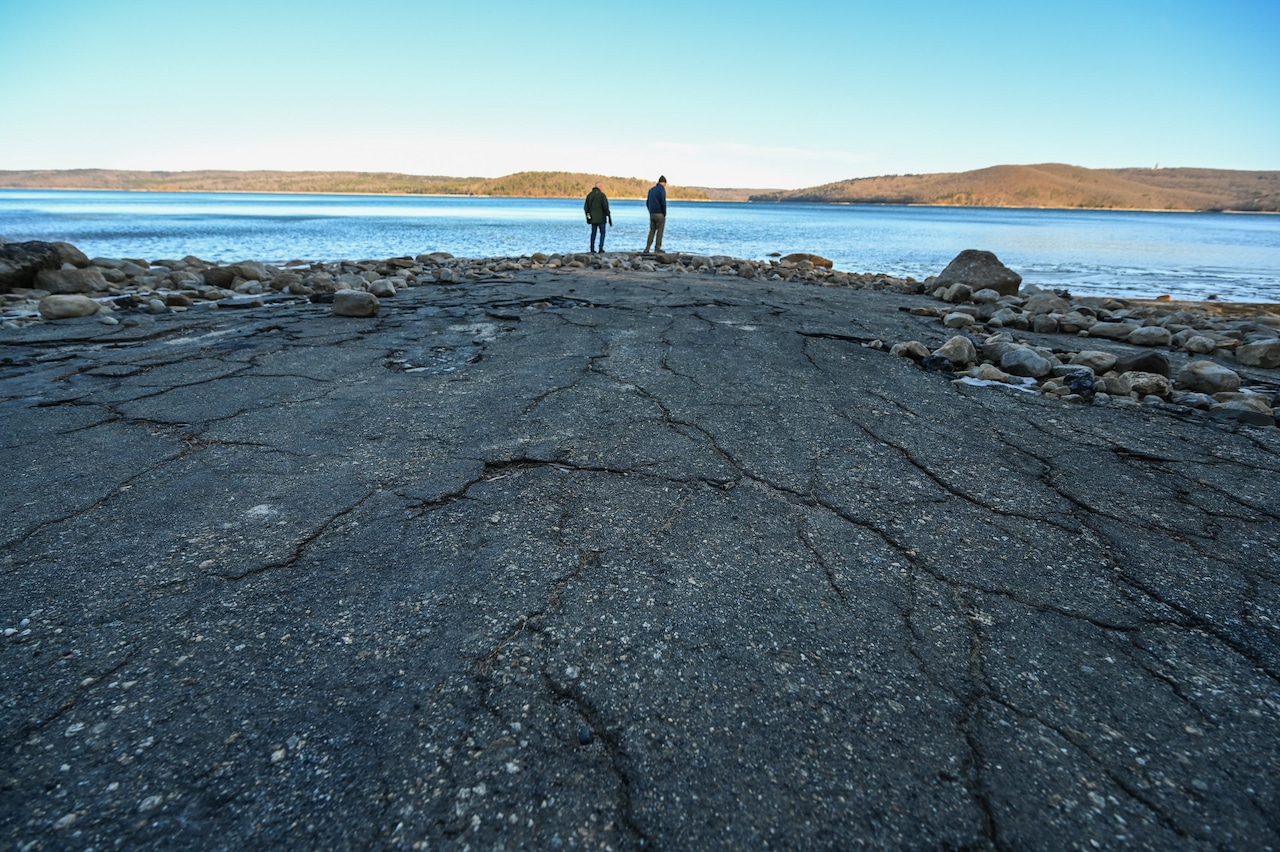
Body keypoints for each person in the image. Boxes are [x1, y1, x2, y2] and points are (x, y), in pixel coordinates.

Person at [584, 182, 612, 253]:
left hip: (593, 219)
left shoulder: (589, 195)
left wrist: (588, 217)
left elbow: (586, 208)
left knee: (593, 233)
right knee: (602, 233)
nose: (602, 188)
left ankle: (592, 249)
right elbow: (605, 207)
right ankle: (600, 248)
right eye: (601, 187)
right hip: (601, 218)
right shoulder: (602, 195)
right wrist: (609, 216)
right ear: (599, 187)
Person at [644, 175, 667, 253]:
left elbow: (647, 202)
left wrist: (650, 210)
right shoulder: (662, 190)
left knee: (652, 230)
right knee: (660, 231)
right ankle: (657, 248)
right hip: (659, 213)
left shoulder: (651, 190)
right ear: (663, 183)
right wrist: (664, 213)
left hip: (652, 213)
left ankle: (647, 248)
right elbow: (663, 202)